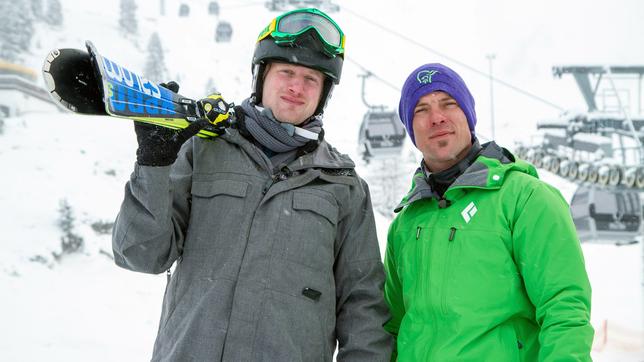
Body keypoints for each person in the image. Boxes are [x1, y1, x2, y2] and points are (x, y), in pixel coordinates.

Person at [112, 8, 392, 361]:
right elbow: (140, 254)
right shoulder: (205, 150)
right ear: (262, 76)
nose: (296, 87)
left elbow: (364, 309)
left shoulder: (344, 187)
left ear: (323, 94)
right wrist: (153, 163)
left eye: (311, 79)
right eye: (286, 72)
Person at [383, 63, 594, 361]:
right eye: (421, 110)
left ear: (468, 115)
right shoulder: (406, 224)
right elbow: (391, 327)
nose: (437, 118)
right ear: (410, 129)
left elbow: (564, 309)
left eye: (449, 104)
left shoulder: (525, 199)